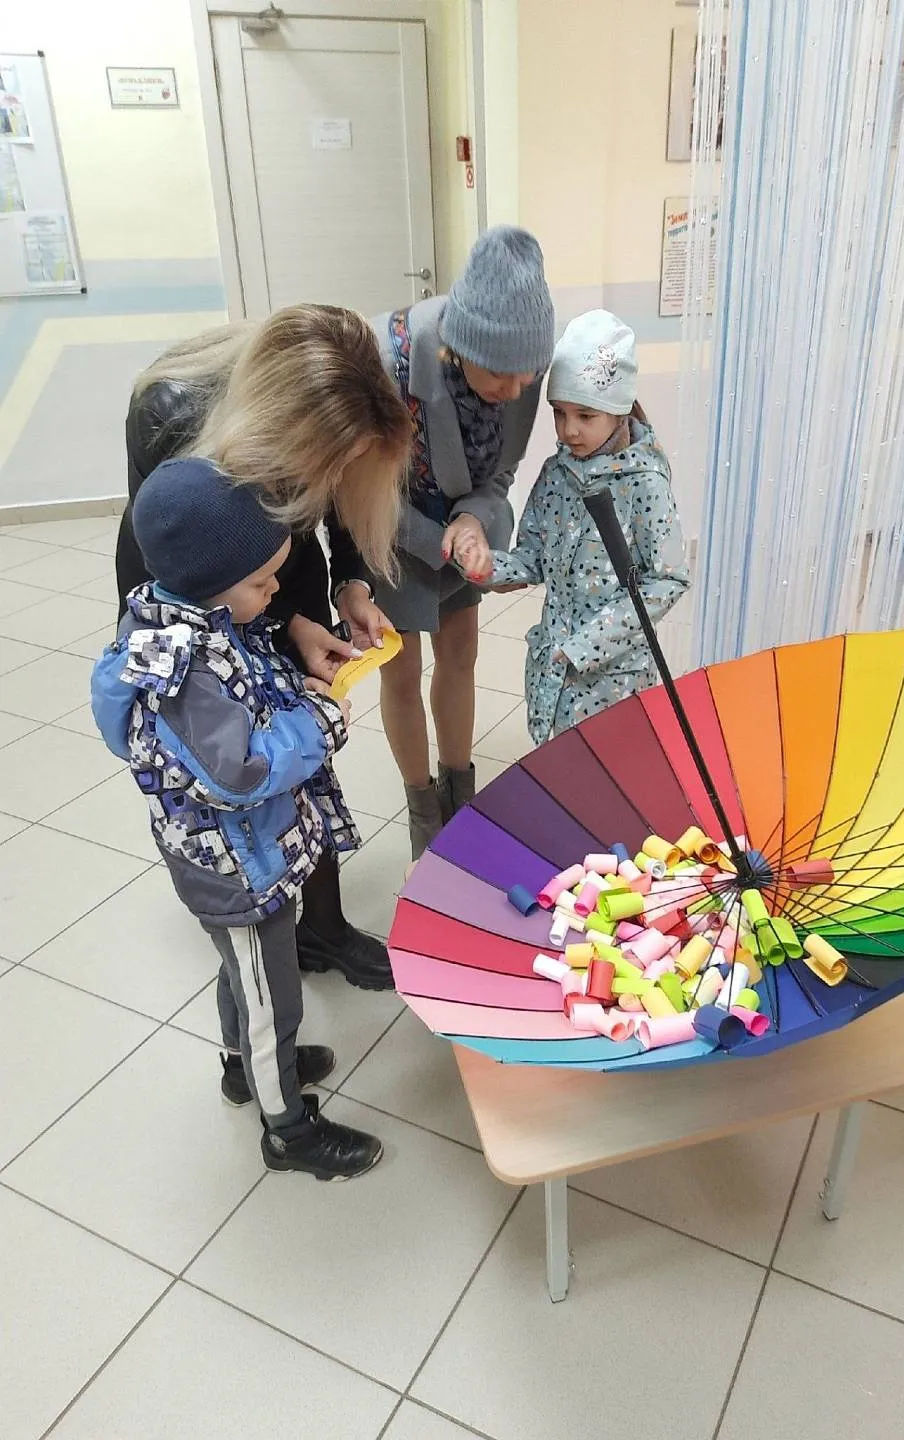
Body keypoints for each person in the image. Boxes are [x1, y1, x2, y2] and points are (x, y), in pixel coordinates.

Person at [92, 459, 383, 1180]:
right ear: (211, 581)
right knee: (270, 997)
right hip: (235, 867)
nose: (275, 591)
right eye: (262, 582)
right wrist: (317, 722)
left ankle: (243, 1068)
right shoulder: (186, 670)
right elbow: (240, 771)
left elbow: (245, 690)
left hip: (240, 854)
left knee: (243, 972)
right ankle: (288, 1131)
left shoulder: (186, 618)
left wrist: (292, 681)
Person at [114, 304, 411, 989]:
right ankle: (255, 924)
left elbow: (338, 507)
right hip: (199, 609)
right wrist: (274, 632)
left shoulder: (328, 419)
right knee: (241, 769)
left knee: (303, 760)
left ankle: (322, 926)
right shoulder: (170, 412)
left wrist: (344, 591)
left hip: (272, 576)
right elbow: (182, 578)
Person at [360, 226, 555, 859]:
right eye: (501, 374)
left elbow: (501, 470)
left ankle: (459, 793)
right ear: (460, 345)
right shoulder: (385, 359)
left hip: (456, 529)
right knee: (401, 668)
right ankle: (423, 812)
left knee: (461, 652)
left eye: (528, 376)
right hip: (392, 525)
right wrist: (438, 537)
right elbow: (362, 492)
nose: (515, 390)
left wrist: (472, 520)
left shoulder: (520, 373)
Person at [465, 310, 690, 743]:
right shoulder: (555, 474)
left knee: (609, 771)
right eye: (559, 413)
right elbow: (532, 558)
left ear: (618, 411)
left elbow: (668, 579)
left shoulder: (645, 483)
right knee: (556, 768)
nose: (569, 430)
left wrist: (587, 645)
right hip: (552, 674)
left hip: (614, 682)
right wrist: (484, 565)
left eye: (586, 416)